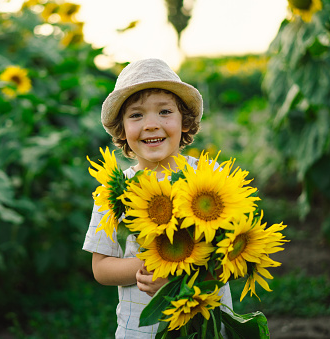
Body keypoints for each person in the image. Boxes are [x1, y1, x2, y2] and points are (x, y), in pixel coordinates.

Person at [82, 58, 233, 338]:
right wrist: (150, 265)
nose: (151, 125)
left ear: (185, 122)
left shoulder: (209, 176)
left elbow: (232, 254)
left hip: (204, 319)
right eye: (136, 115)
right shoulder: (114, 190)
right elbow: (101, 267)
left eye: (164, 112)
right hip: (141, 330)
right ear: (122, 130)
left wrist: (181, 274)